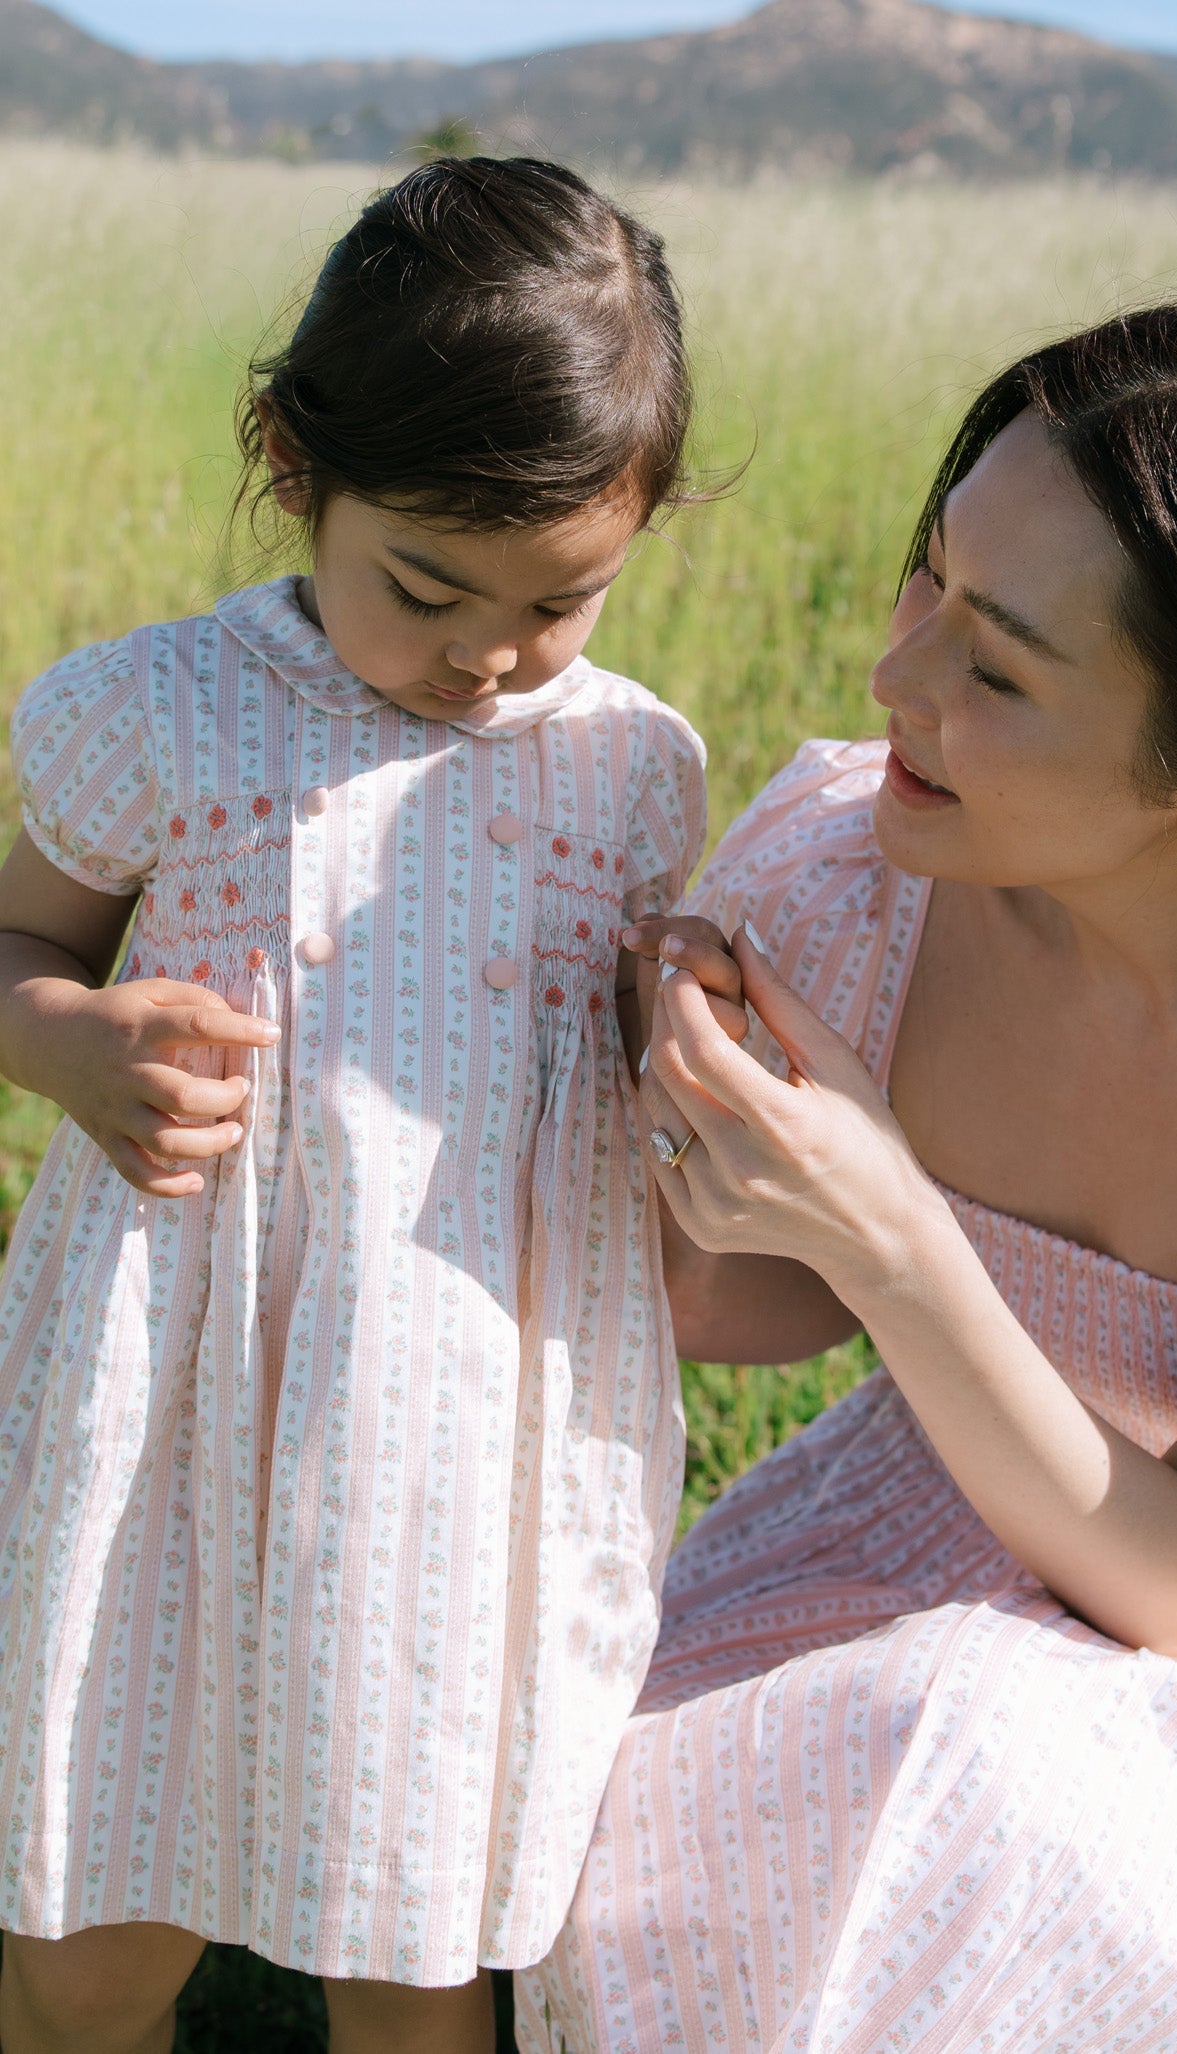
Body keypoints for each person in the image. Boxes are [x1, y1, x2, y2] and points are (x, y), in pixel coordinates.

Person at [519, 300, 1177, 2050]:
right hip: (890, 1553)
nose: (894, 678)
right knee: (857, 1767)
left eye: (996, 667)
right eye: (929, 581)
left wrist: (899, 1235)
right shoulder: (867, 880)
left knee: (1015, 1787)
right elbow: (739, 1305)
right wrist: (677, 1111)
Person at [0, 156, 706, 2054]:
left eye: (562, 599)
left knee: (421, 1930)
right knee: (95, 1932)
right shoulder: (167, 712)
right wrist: (66, 1041)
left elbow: (621, 1047)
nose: (486, 650)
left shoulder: (631, 770)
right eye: (426, 585)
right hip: (174, 1384)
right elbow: (14, 939)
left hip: (467, 1416)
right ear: (293, 465)